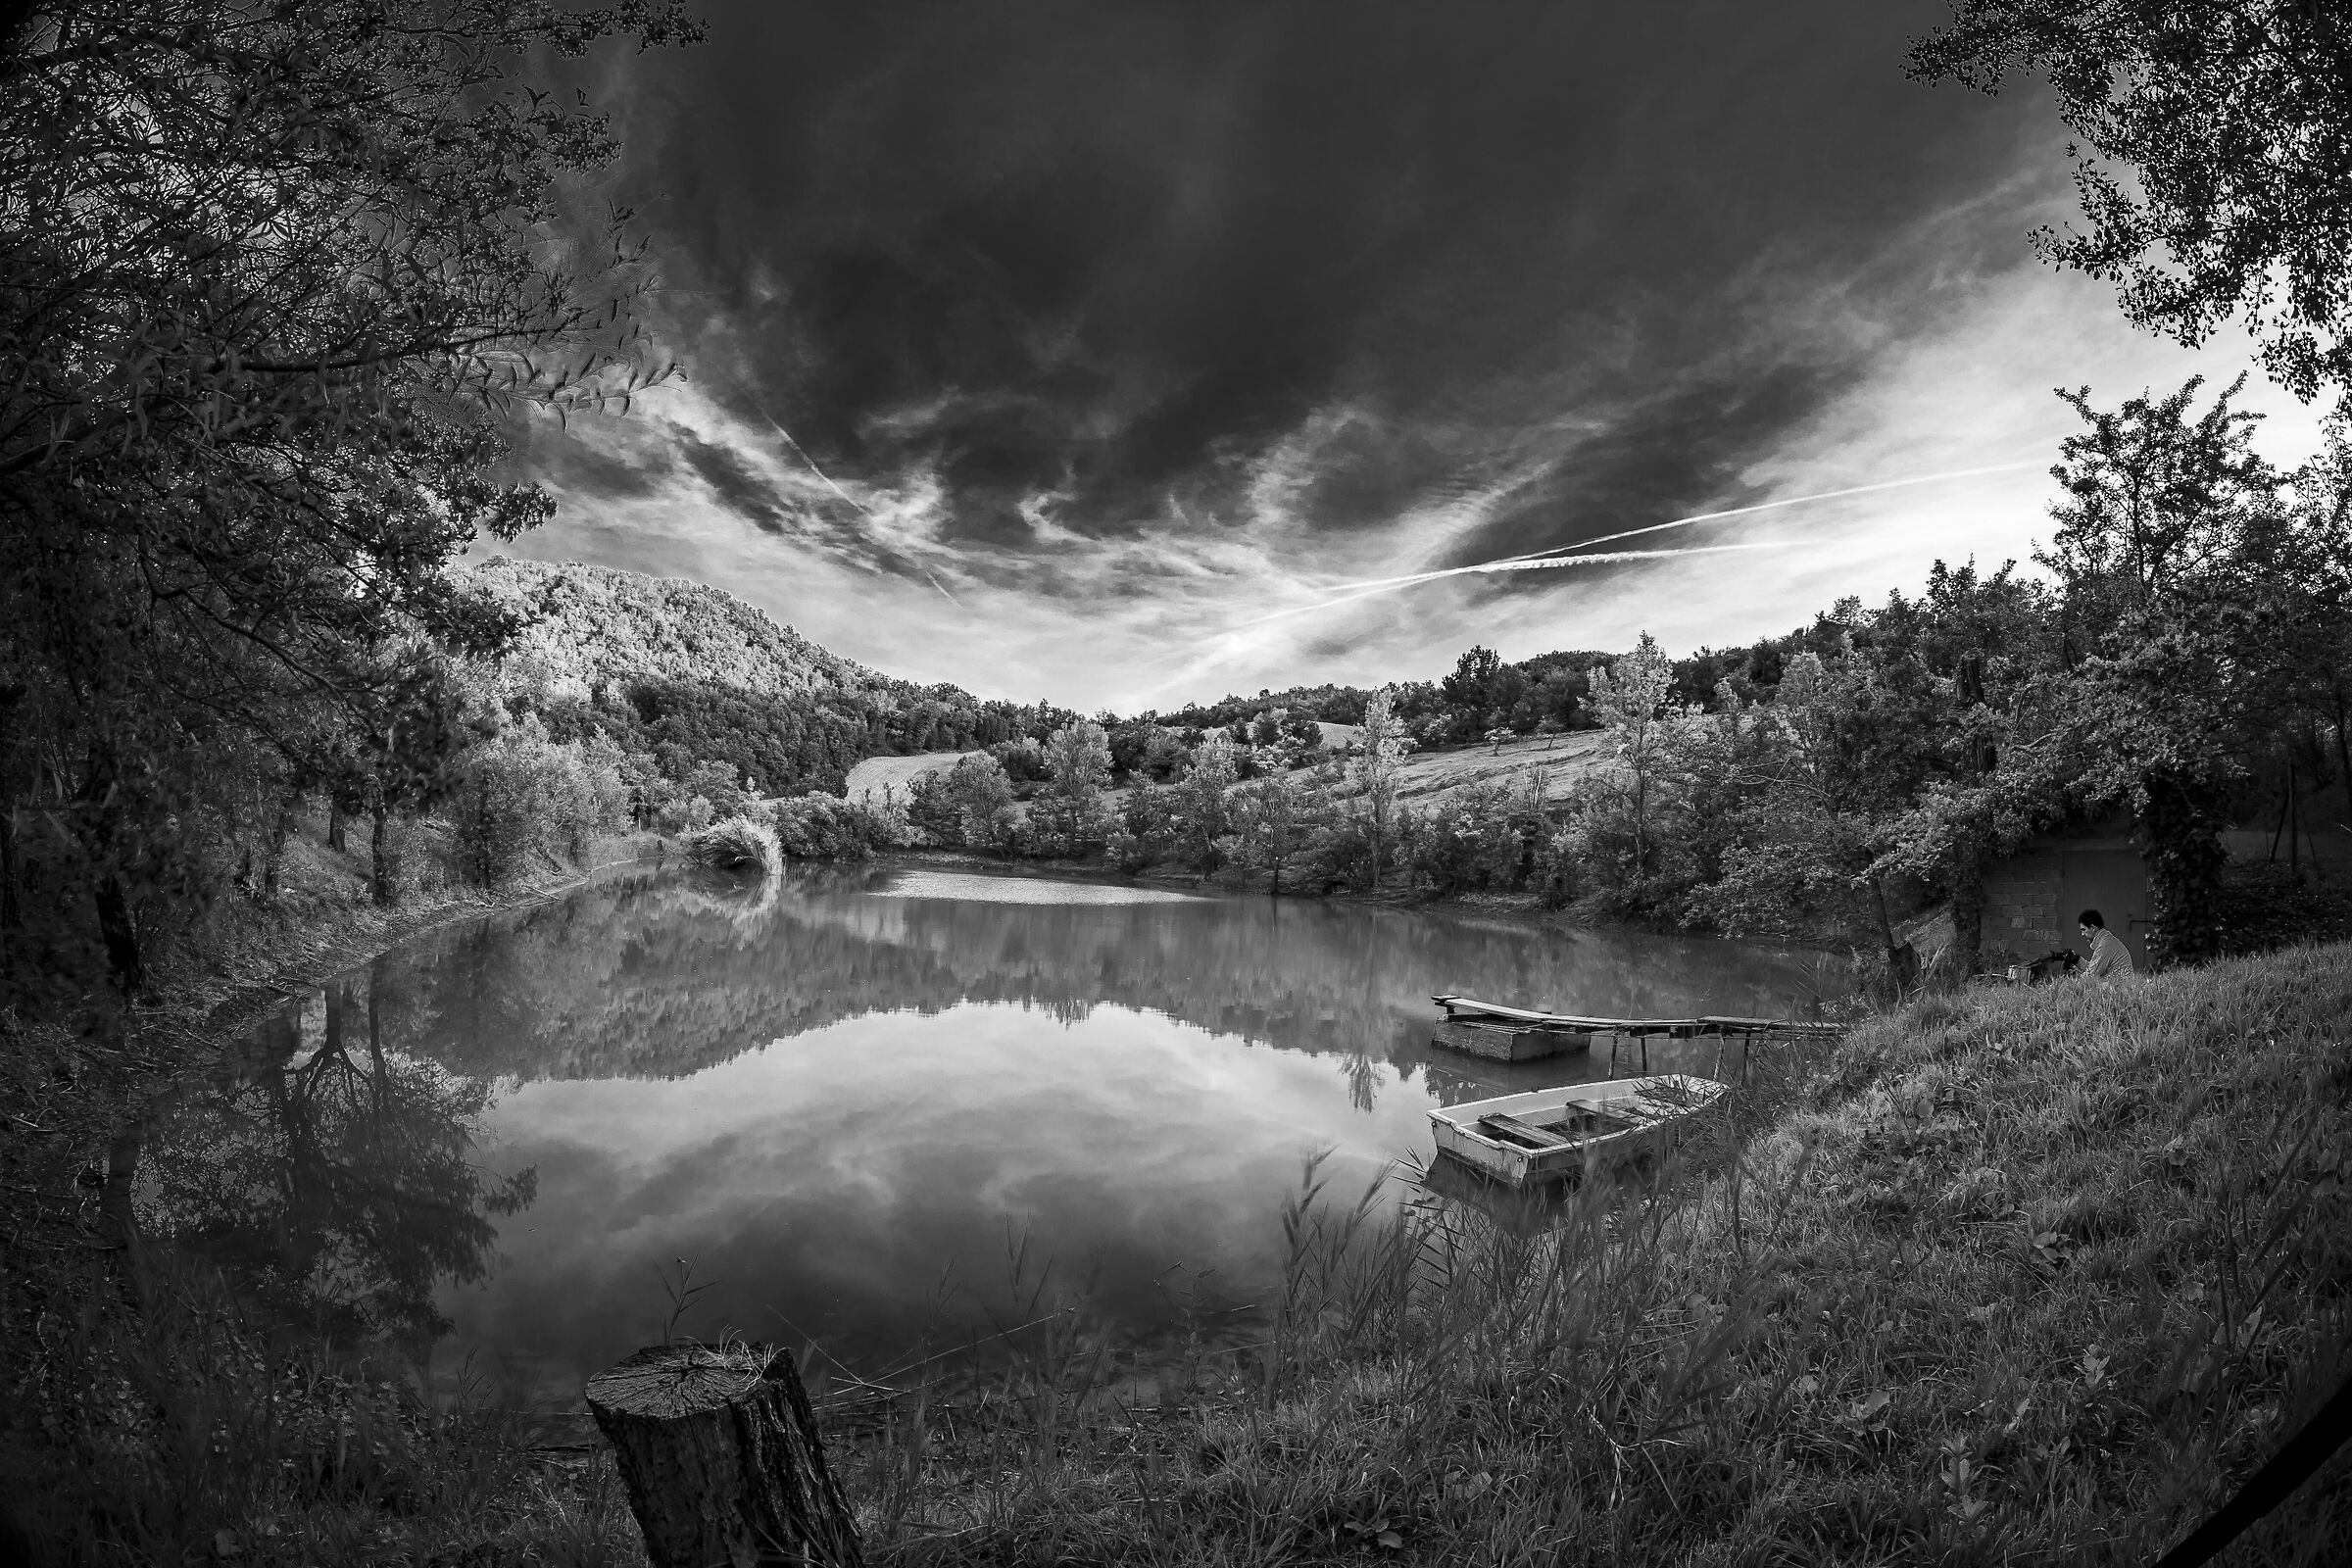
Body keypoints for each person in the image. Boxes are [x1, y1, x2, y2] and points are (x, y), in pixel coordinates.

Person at [2078, 908, 2136, 980]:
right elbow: (2094, 967)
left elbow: (2091, 975)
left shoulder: (2105, 945)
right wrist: (2077, 960)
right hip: (2118, 985)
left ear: (2093, 928)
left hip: (2118, 987)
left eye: (2084, 930)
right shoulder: (2106, 940)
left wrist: (2070, 984)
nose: (2082, 934)